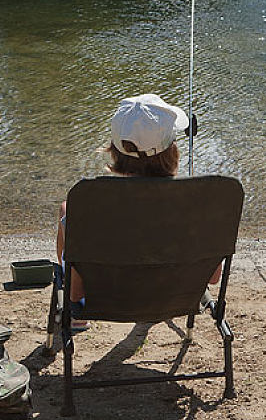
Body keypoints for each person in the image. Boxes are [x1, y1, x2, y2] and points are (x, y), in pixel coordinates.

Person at [56, 93, 221, 331]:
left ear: (114, 150)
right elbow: (213, 278)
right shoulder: (198, 206)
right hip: (177, 297)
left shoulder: (89, 207)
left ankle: (79, 317)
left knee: (66, 210)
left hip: (106, 301)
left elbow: (75, 291)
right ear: (171, 150)